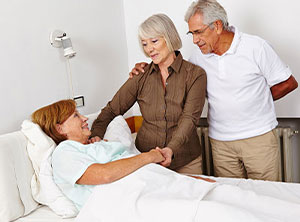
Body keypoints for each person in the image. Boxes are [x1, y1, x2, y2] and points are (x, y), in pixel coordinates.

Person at [129, 0, 298, 181]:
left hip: (258, 137)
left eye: (198, 32)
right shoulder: (197, 59)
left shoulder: (256, 47)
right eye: (191, 33)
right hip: (220, 142)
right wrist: (147, 68)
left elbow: (288, 83)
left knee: (266, 194)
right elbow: (173, 74)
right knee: (229, 197)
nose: (194, 40)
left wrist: (258, 100)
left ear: (217, 26)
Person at [31, 99, 214, 210]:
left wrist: (186, 181)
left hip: (155, 184)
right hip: (132, 199)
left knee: (214, 189)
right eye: (76, 116)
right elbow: (105, 175)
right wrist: (150, 156)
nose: (85, 118)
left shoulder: (92, 146)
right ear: (60, 128)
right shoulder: (64, 153)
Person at [90, 14, 207, 174]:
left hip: (185, 160)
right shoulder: (140, 76)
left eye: (154, 41)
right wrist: (95, 135)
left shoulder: (195, 75)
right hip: (147, 161)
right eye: (144, 44)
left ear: (169, 37)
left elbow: (189, 119)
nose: (149, 49)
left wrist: (170, 149)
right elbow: (112, 109)